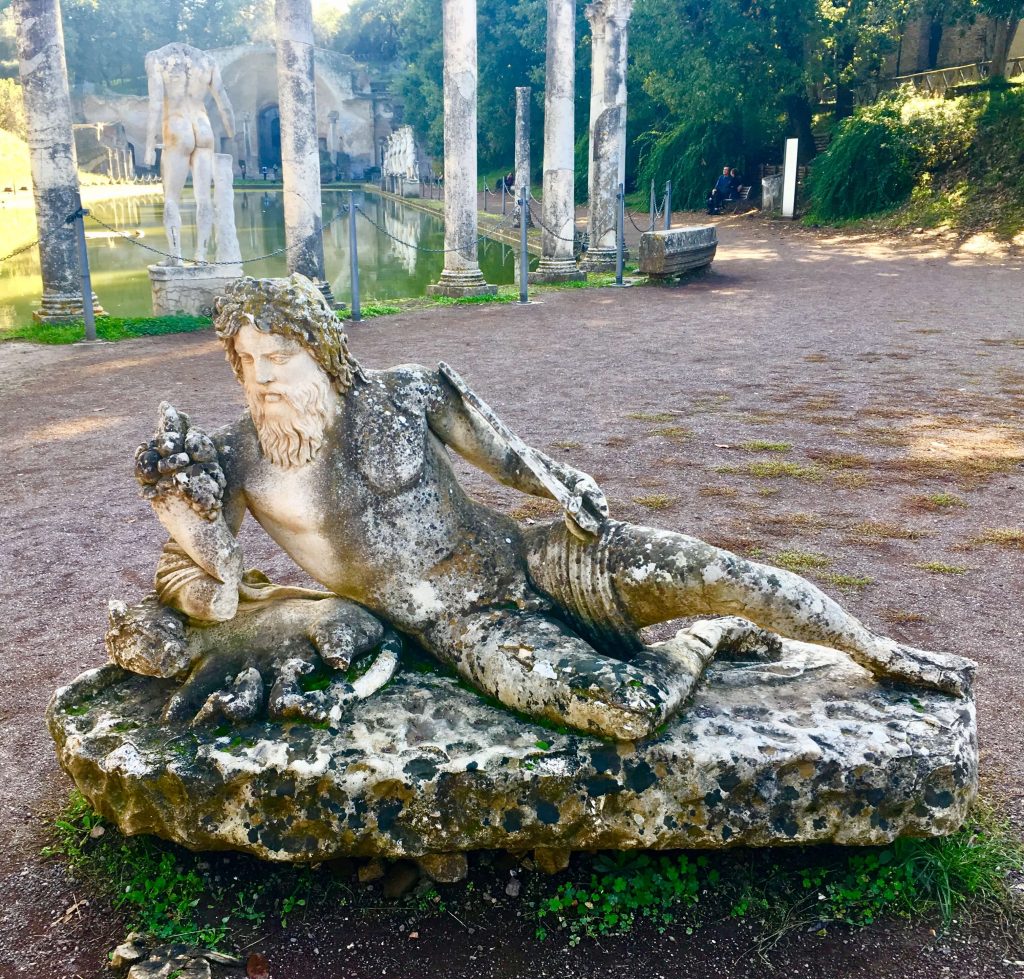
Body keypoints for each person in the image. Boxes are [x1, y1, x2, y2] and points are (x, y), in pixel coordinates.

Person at [137, 274, 973, 741]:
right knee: (628, 710)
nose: (263, 379)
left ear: (319, 349)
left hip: (535, 557)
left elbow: (514, 458)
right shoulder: (236, 462)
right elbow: (194, 582)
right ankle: (706, 645)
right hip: (467, 631)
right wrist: (195, 534)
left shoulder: (407, 392)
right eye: (245, 363)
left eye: (278, 355)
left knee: (713, 566)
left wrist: (560, 484)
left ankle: (875, 647)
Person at [143, 43, 235, 264]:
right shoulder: (207, 61)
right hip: (203, 128)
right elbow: (223, 99)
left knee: (171, 198)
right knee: (203, 198)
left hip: (177, 128)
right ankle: (201, 255)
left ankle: (176, 256)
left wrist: (149, 145)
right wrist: (232, 130)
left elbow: (155, 104)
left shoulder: (156, 58)